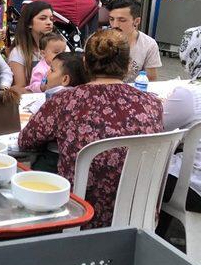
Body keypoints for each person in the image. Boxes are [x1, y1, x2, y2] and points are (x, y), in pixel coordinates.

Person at [18, 29, 163, 228]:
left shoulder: (65, 100)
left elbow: (26, 141)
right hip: (138, 215)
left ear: (86, 63)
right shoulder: (152, 103)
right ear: (129, 65)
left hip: (80, 212)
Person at [160, 26, 201, 219]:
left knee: (140, 168)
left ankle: (152, 235)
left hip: (194, 188)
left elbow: (156, 128)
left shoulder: (190, 94)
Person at [107, 0, 161, 82]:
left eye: (122, 20)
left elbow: (151, 81)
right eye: (111, 19)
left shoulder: (149, 44)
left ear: (136, 21)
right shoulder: (99, 40)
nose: (115, 25)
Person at [8, 1, 55, 93]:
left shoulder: (61, 47)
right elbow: (19, 88)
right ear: (29, 23)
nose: (49, 22)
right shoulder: (18, 52)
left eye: (51, 19)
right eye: (42, 18)